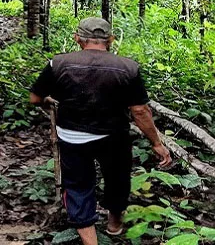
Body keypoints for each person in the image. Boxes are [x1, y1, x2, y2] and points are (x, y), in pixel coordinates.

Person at [29, 17, 172, 245]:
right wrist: (156, 142)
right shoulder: (128, 67)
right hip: (113, 137)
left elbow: (35, 98)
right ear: (111, 40)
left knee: (78, 187)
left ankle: (91, 242)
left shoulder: (58, 63)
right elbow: (140, 111)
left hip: (72, 136)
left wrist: (48, 100)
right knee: (117, 180)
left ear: (77, 39)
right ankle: (114, 224)